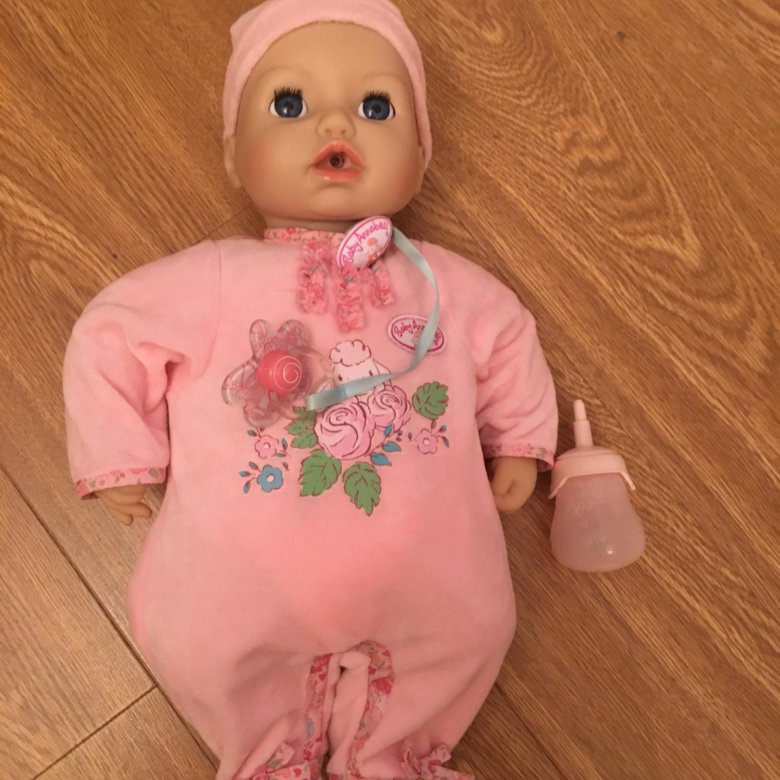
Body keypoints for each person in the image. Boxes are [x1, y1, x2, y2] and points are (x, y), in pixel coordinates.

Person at [63, 1, 558, 777]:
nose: (337, 122)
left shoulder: (445, 285)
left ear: (420, 157)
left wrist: (519, 437)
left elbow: (509, 337)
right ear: (235, 157)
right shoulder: (214, 278)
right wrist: (119, 453)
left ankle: (392, 757)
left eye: (377, 107)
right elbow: (109, 335)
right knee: (198, 633)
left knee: (474, 625)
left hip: (433, 568)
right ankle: (267, 757)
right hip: (241, 574)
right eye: (289, 103)